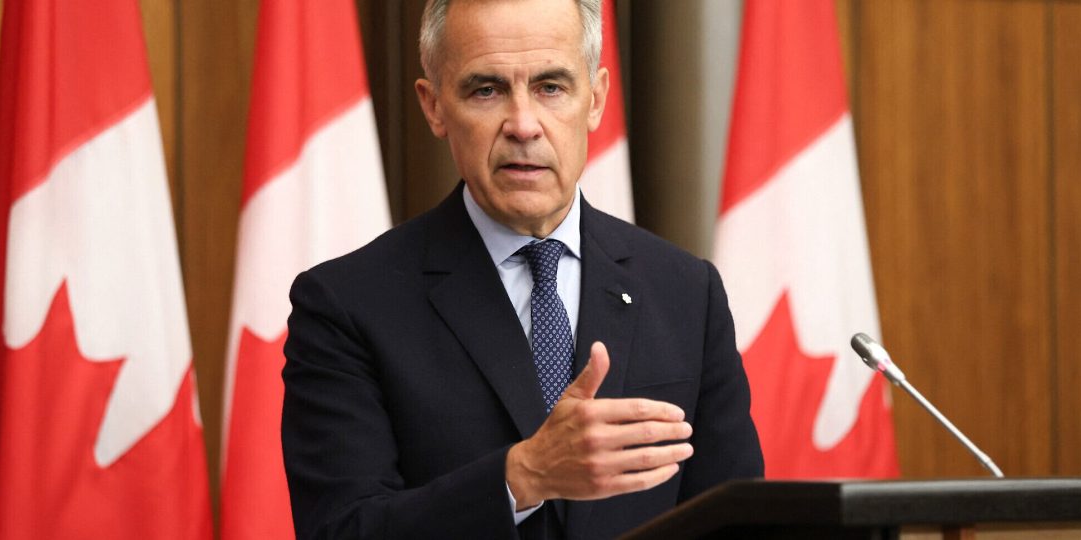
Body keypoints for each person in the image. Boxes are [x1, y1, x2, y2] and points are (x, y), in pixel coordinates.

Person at [280, 0, 763, 537]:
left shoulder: (686, 292)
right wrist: (524, 476)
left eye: (550, 87)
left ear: (596, 98)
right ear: (434, 106)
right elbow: (342, 529)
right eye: (486, 90)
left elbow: (737, 519)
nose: (524, 125)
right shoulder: (346, 305)